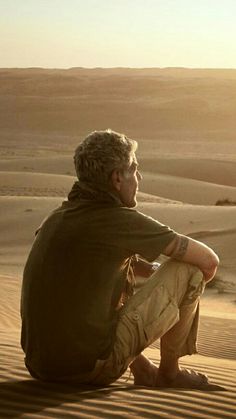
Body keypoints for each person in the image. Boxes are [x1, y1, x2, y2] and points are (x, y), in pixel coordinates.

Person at [21, 129, 220, 389]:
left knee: (105, 286)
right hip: (89, 369)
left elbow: (95, 266)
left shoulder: (57, 218)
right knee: (190, 270)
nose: (139, 177)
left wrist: (150, 271)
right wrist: (178, 296)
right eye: (134, 169)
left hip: (40, 366)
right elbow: (208, 261)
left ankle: (143, 370)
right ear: (117, 178)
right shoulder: (118, 220)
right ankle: (169, 373)